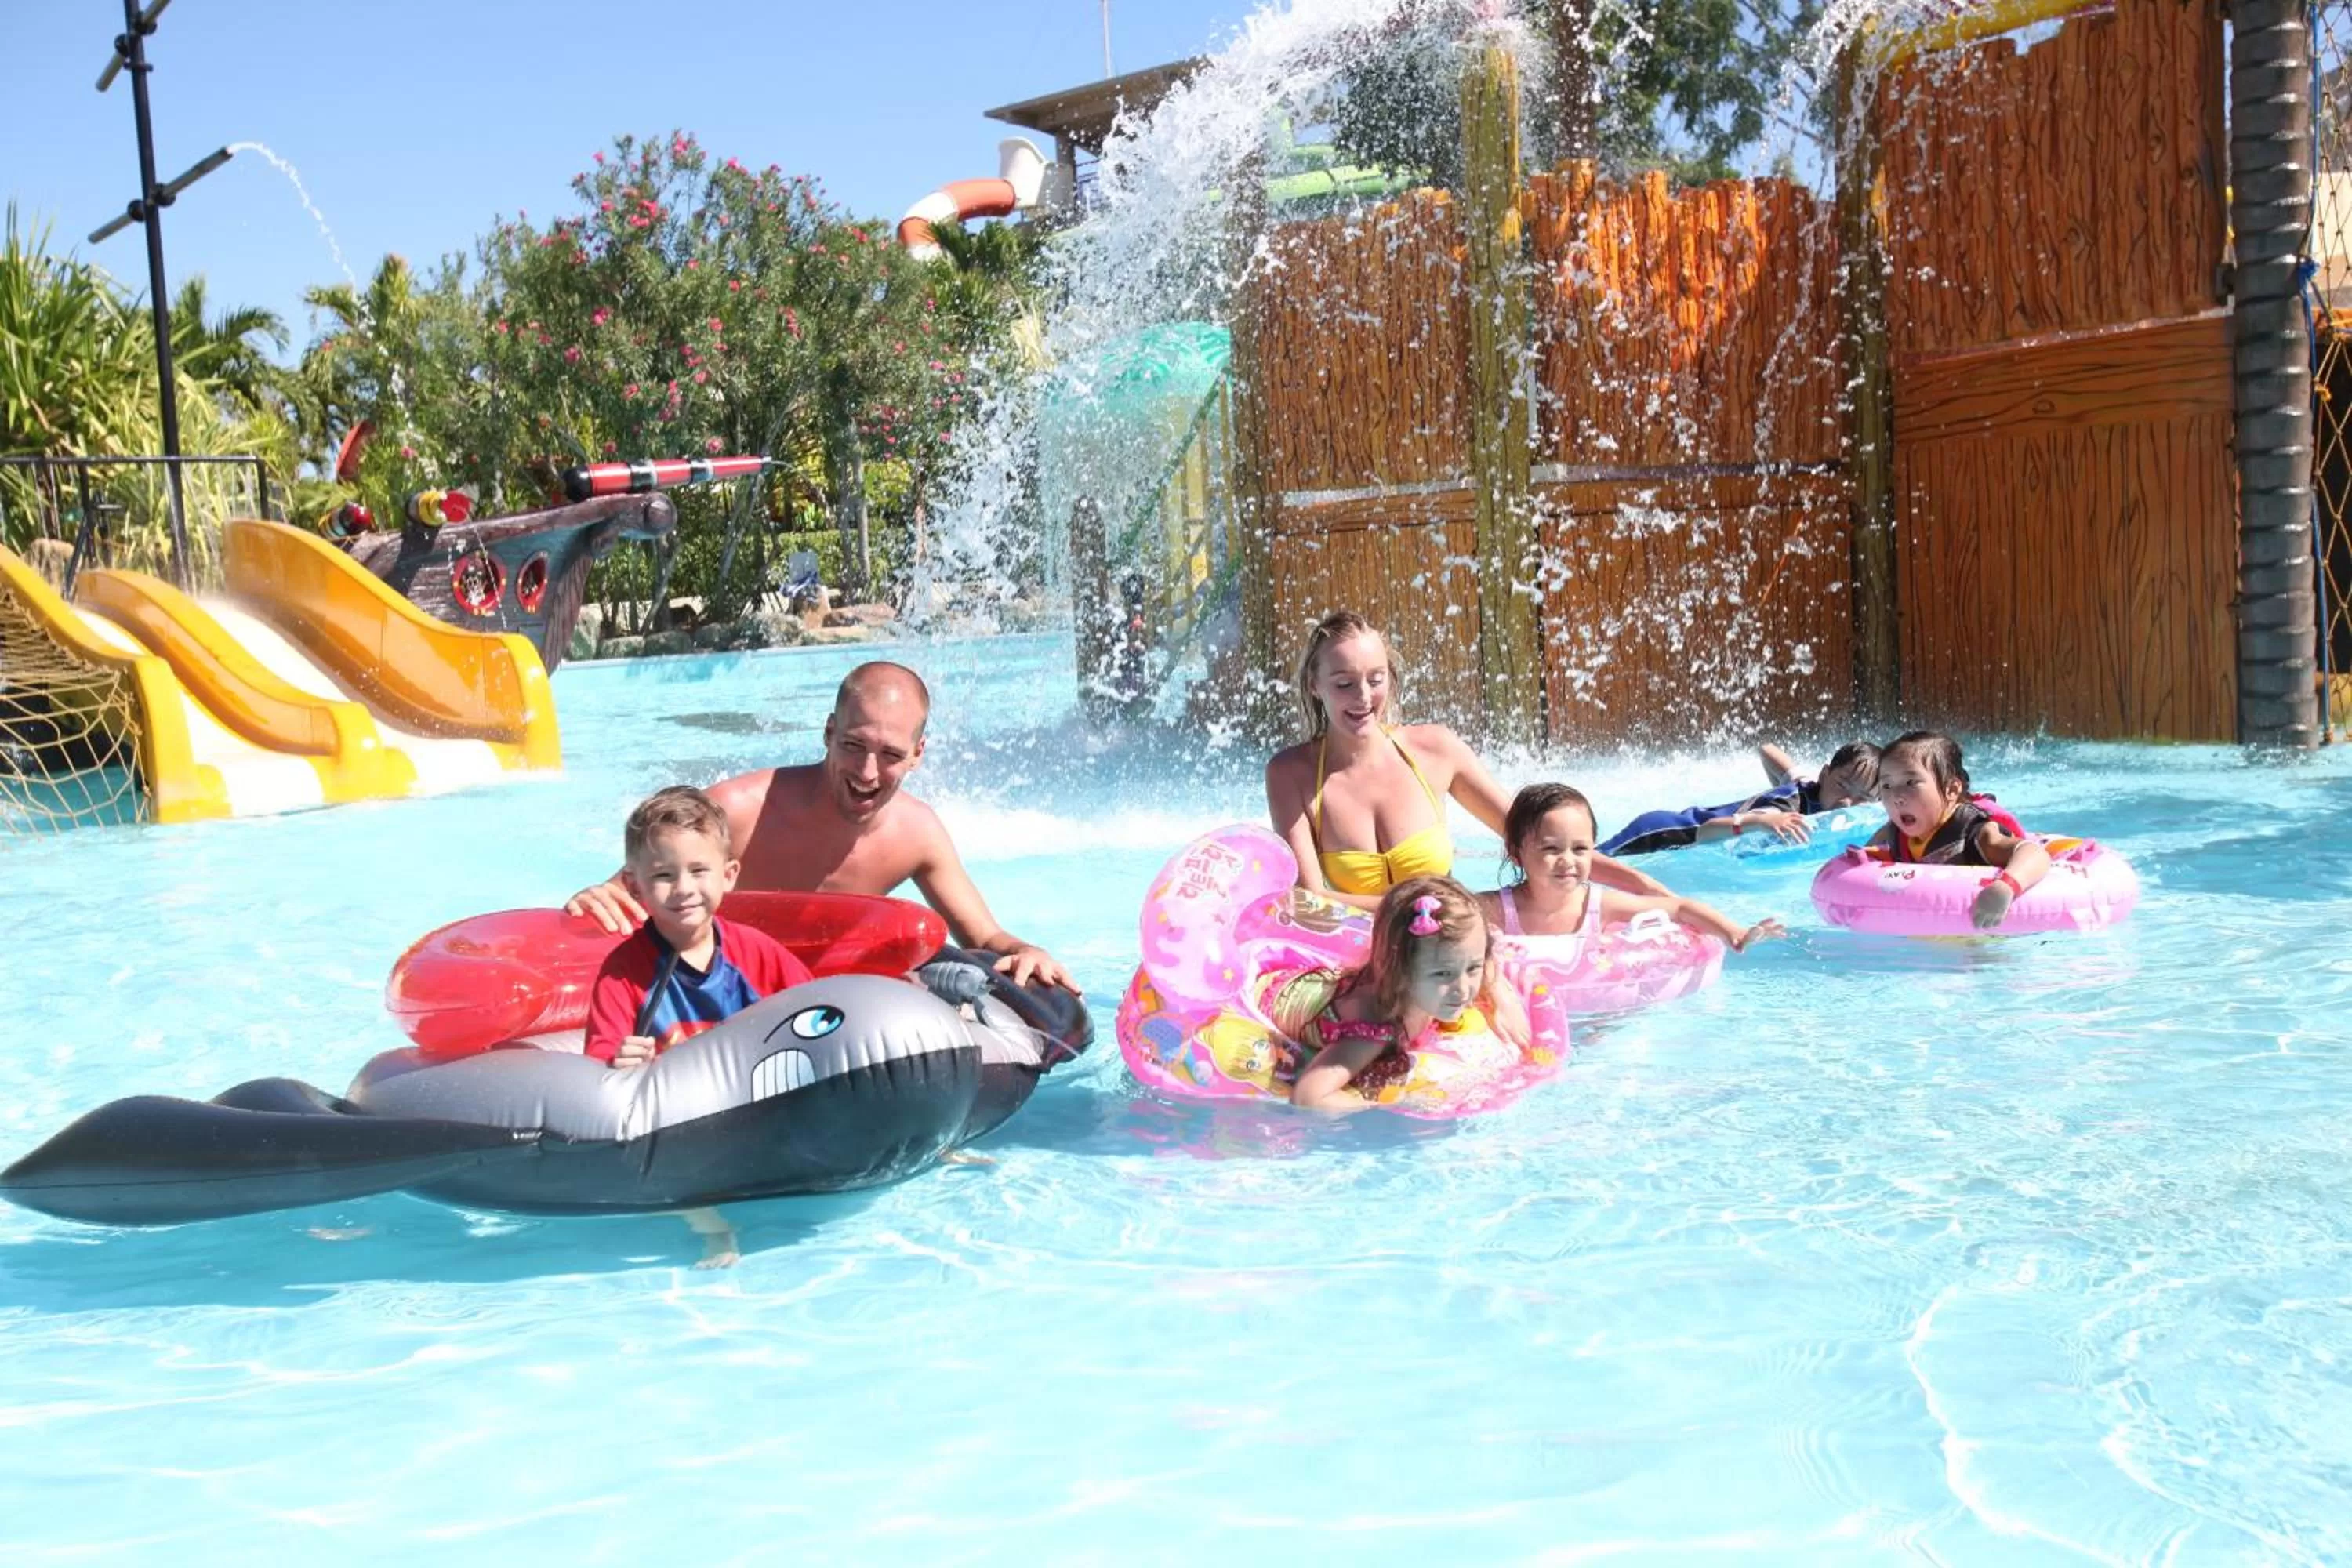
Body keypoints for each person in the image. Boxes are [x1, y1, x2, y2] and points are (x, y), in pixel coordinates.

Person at [567, 662, 1076, 993]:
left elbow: (984, 936)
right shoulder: (737, 810)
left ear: (918, 755)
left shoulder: (916, 834)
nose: (867, 772)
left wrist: (1026, 952)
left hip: (829, 1007)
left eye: (890, 754)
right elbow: (629, 894)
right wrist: (598, 897)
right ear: (829, 732)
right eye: (853, 745)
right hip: (717, 988)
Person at [1265, 611, 1666, 910]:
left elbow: (1538, 840)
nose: (1364, 698)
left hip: (1450, 945)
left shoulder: (1436, 750)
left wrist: (1644, 885)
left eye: (1376, 679)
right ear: (1314, 685)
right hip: (1366, 946)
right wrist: (1422, 906)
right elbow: (1308, 899)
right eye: (1344, 684)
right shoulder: (1290, 775)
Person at [583, 785, 816, 1268]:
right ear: (635, 887)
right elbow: (597, 1072)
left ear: (729, 875)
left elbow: (820, 1016)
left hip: (758, 1104)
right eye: (663, 875)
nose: (683, 888)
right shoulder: (624, 973)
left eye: (698, 871)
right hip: (680, 1122)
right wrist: (619, 1063)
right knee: (659, 1160)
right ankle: (711, 1228)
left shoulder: (757, 952)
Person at [1479, 783, 1784, 959]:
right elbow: (1452, 916)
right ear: (1516, 853)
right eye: (1551, 849)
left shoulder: (1598, 906)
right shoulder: (1497, 909)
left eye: (1581, 849)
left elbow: (1680, 908)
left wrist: (1734, 933)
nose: (1568, 860)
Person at [1288, 876, 1509, 1114]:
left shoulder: (1437, 975)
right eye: (1443, 974)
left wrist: (1502, 1001)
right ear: (1401, 970)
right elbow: (1308, 1096)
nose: (1463, 989)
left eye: (1472, 969)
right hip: (1291, 999)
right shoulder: (1375, 1032)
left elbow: (1482, 947)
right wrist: (1393, 1107)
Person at [1863, 731, 2049, 930]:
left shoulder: (1974, 835)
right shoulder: (1894, 832)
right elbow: (1864, 858)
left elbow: (2035, 853)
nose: (1896, 797)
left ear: (1951, 790)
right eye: (1887, 785)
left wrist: (2006, 887)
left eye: (1911, 782)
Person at [1597, 739, 1881, 857]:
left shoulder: (1810, 786)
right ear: (1825, 774)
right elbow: (1705, 832)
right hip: (1664, 833)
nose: (1848, 802)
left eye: (1863, 797)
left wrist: (1789, 777)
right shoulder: (1785, 807)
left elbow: (1768, 750)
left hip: (1678, 833)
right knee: (1593, 861)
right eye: (1843, 785)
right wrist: (1761, 821)